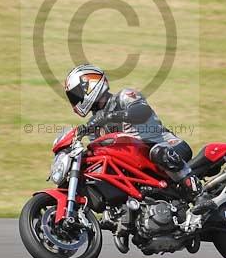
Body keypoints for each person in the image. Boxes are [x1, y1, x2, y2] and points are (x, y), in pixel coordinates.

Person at [63, 63, 200, 197]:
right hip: (139, 166)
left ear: (90, 85)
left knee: (158, 152)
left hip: (169, 147)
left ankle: (196, 190)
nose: (76, 100)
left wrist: (111, 116)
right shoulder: (94, 125)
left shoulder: (124, 96)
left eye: (76, 94)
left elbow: (142, 111)